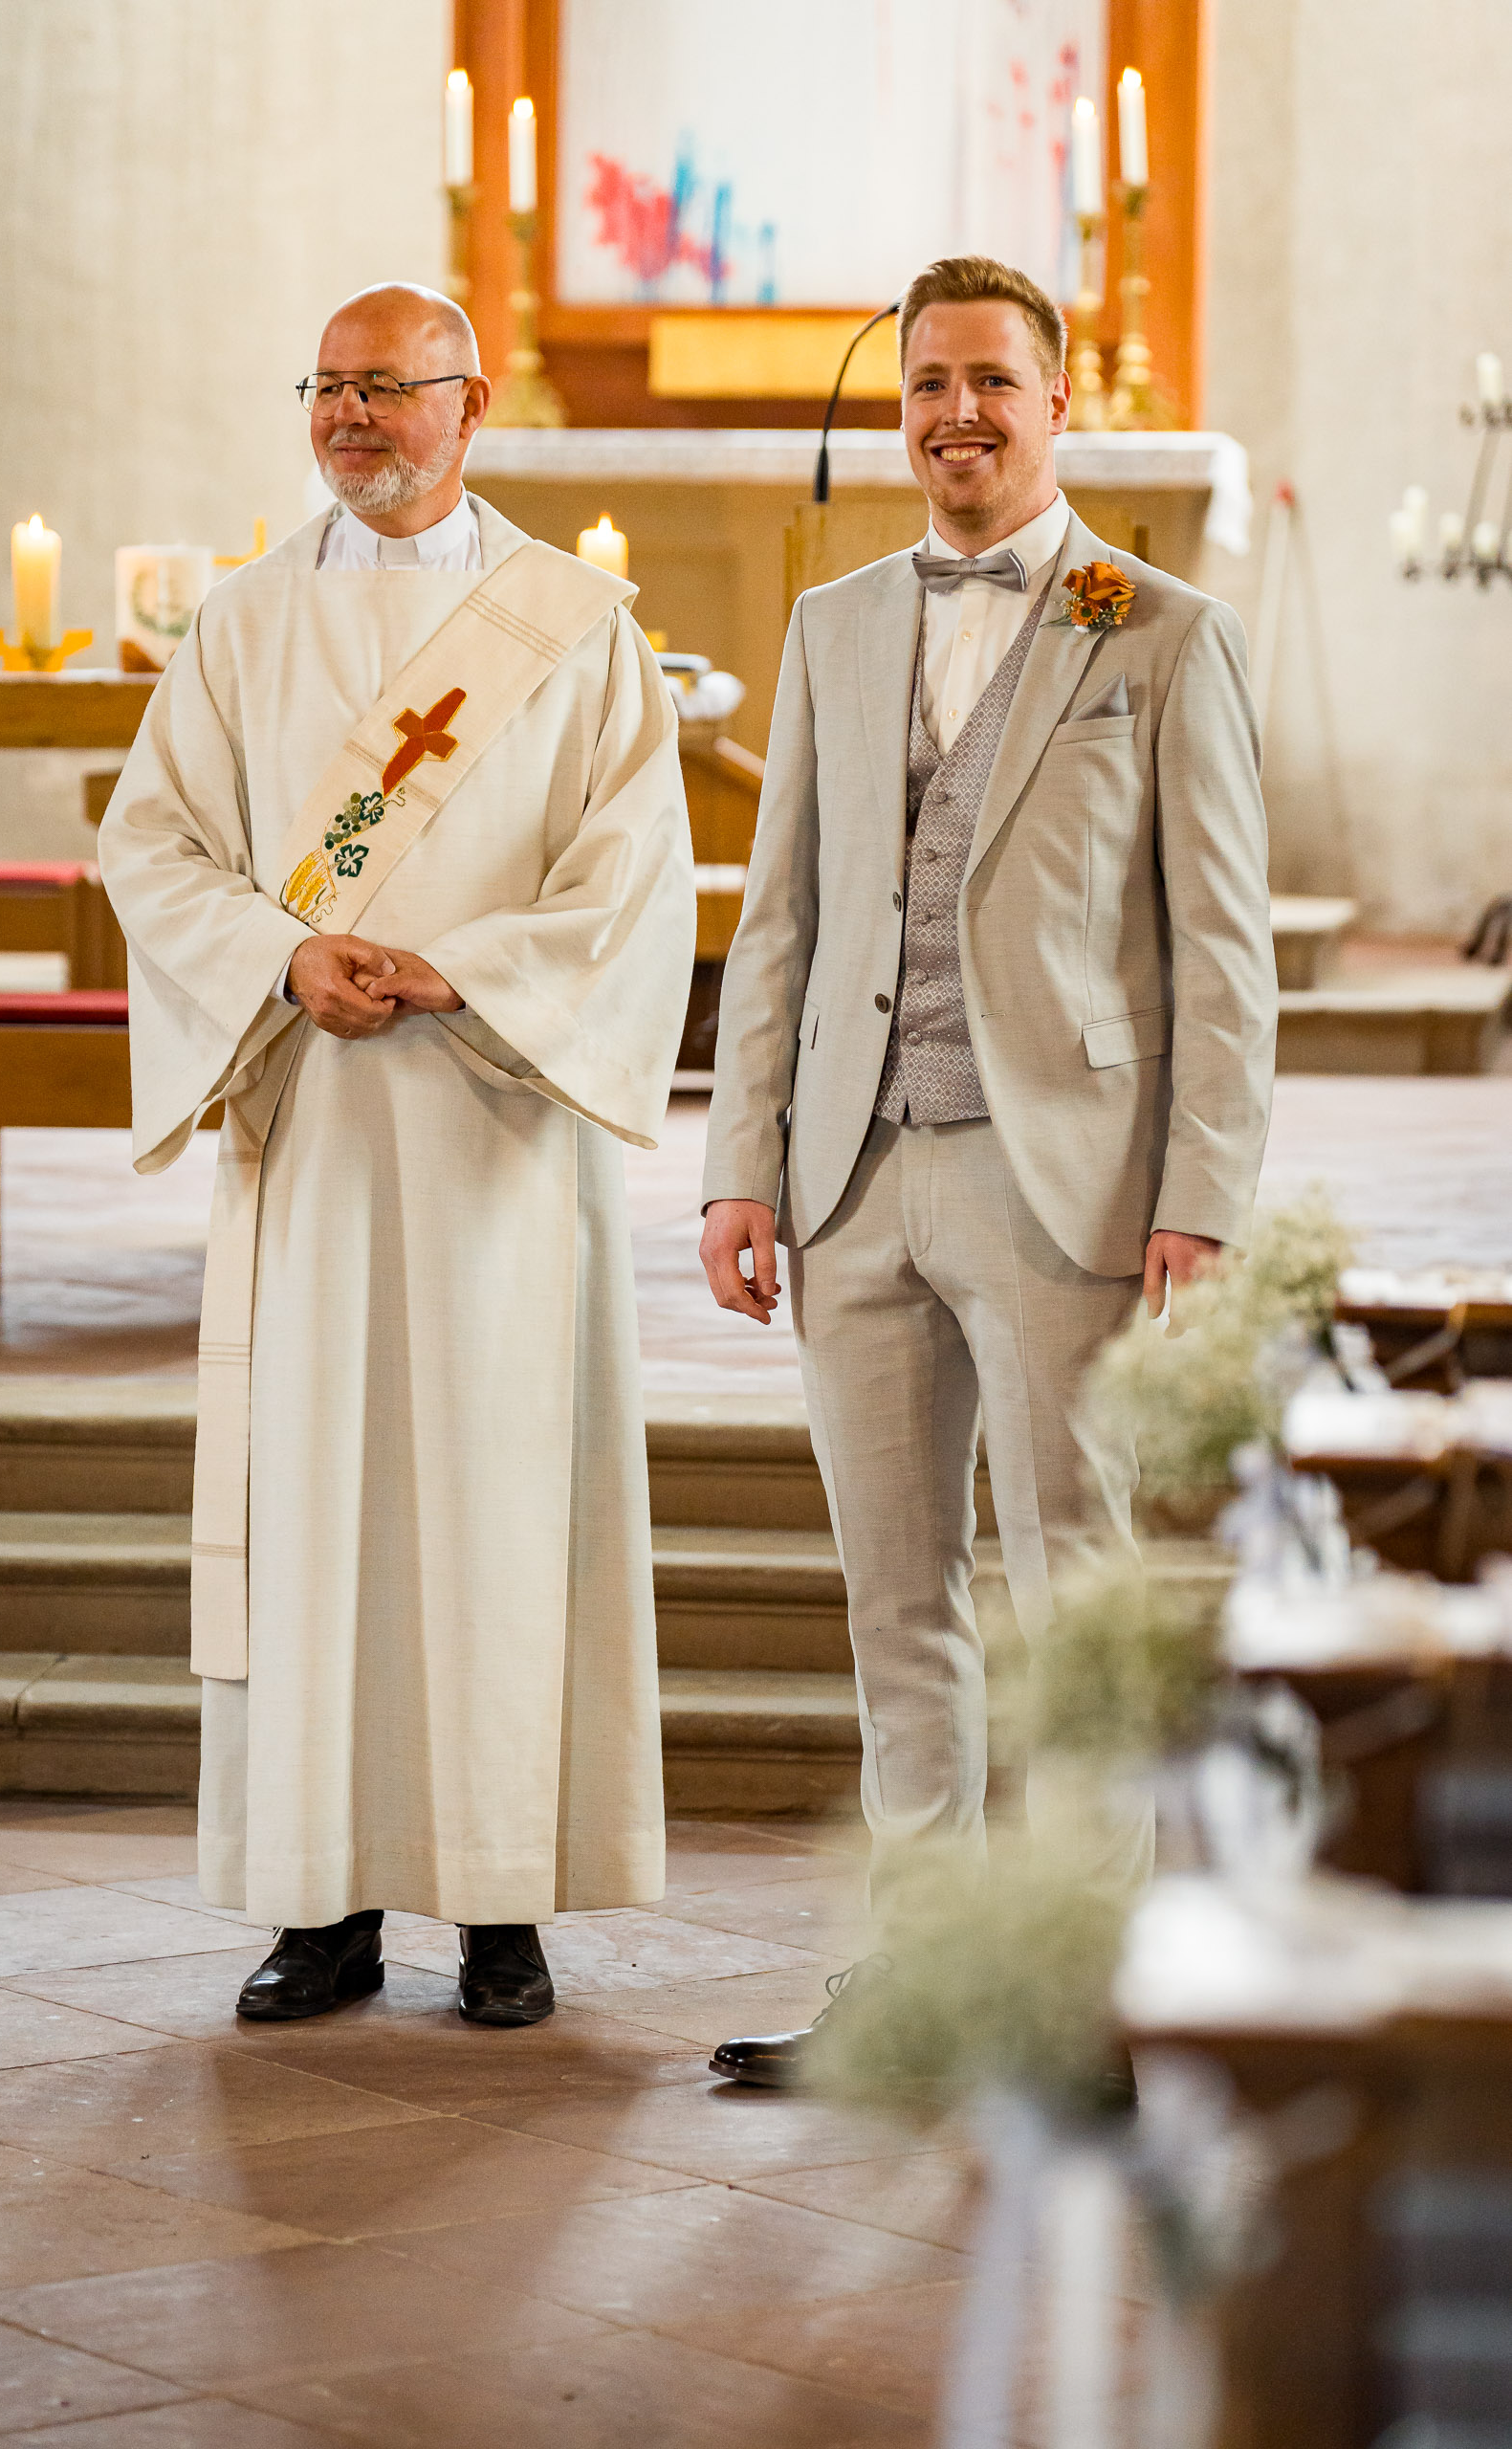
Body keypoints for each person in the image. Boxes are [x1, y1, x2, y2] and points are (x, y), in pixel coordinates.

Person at [698, 254, 1276, 2086]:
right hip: (852, 1176)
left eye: (992, 382)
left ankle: (1092, 1989)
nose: (958, 414)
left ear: (1056, 402)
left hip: (1065, 1182)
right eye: (928, 383)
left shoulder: (1160, 630)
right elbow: (778, 922)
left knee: (1068, 1590)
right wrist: (740, 1165)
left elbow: (1224, 953)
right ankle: (921, 1978)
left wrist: (1200, 1198)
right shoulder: (835, 624)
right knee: (896, 1601)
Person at [99, 283, 694, 2027]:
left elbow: (633, 873)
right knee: (320, 1512)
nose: (350, 416)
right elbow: (153, 847)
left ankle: (503, 1907)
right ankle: (323, 1903)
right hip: (320, 1128)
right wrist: (283, 959)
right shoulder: (242, 625)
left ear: (471, 403)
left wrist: (466, 972)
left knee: (504, 1508)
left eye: (387, 387)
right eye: (328, 388)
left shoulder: (572, 628)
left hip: (500, 1129)